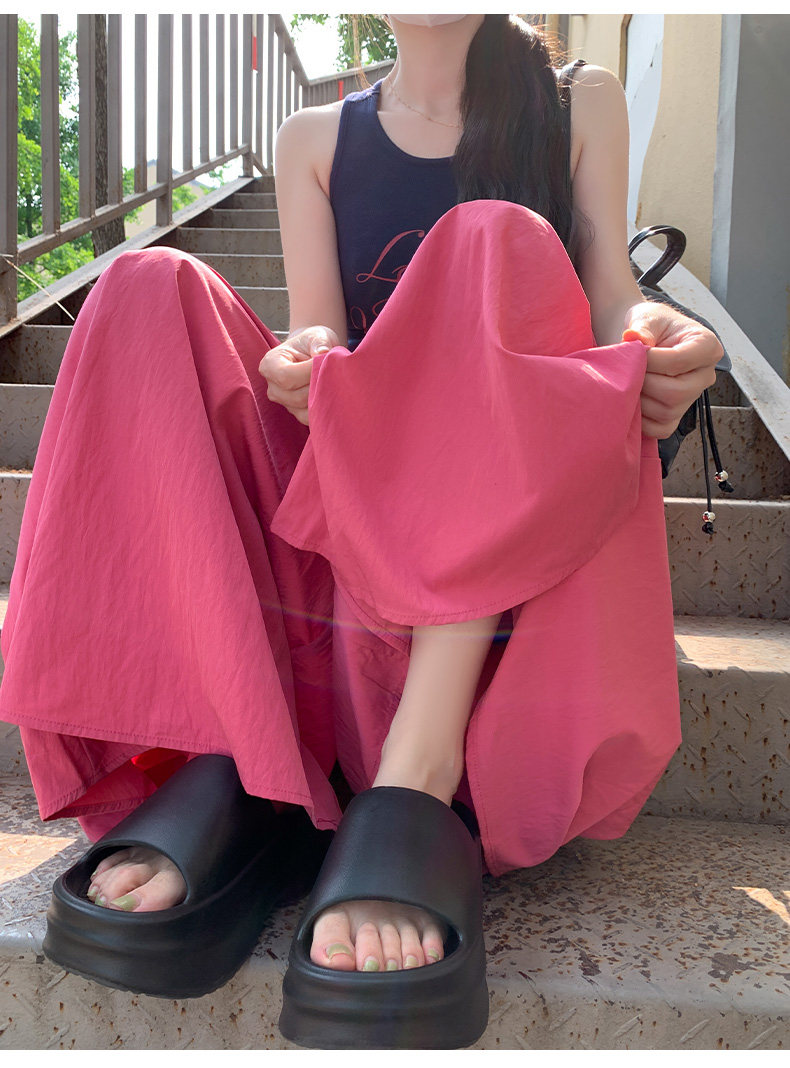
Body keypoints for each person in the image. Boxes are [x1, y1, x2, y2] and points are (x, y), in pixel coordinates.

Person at [0, 12, 722, 1046]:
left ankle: (415, 781)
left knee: (492, 238)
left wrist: (659, 331)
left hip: (500, 580)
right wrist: (304, 362)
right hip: (357, 548)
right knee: (144, 284)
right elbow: (320, 329)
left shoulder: (578, 101)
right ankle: (236, 746)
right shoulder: (313, 139)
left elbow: (614, 298)